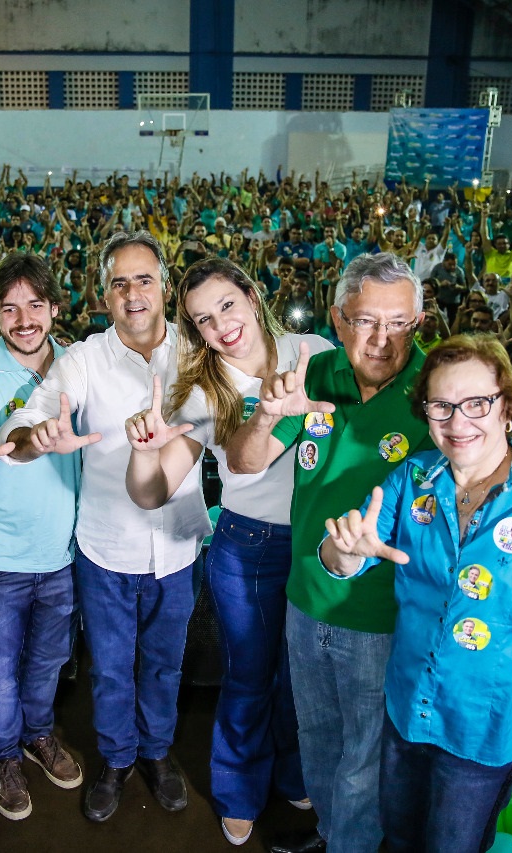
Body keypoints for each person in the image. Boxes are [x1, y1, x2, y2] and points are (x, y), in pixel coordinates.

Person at [319, 334, 512, 853]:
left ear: (507, 406)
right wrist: (346, 551)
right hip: (408, 708)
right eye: (441, 406)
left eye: (477, 403)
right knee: (400, 834)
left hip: (489, 728)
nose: (458, 422)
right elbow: (345, 557)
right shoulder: (412, 478)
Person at [223, 252, 435, 853]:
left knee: (365, 761)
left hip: (383, 617)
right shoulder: (316, 376)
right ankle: (332, 836)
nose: (383, 339)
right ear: (339, 320)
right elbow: (245, 461)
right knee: (318, 740)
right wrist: (265, 415)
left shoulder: (434, 391)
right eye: (368, 321)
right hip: (305, 599)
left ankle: (353, 845)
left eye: (399, 323)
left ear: (418, 323)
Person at [0, 231, 210, 823]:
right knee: (112, 668)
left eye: (145, 279)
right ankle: (117, 760)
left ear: (165, 287)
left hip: (178, 548)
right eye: (120, 282)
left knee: (166, 663)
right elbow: (28, 422)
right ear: (104, 295)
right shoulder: (84, 359)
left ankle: (158, 754)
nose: (133, 293)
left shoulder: (198, 355)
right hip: (107, 549)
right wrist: (34, 438)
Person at [123, 257, 331, 845]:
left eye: (227, 306)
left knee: (303, 674)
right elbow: (152, 492)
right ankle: (239, 789)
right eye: (203, 320)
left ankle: (294, 771)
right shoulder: (201, 393)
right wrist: (143, 453)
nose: (221, 325)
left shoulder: (311, 350)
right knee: (250, 675)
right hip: (252, 547)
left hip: (320, 544)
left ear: (251, 293)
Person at [0, 252, 84, 821]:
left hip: (63, 551)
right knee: (0, 672)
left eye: (34, 305)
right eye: (9, 308)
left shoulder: (78, 365)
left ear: (55, 308)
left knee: (50, 660)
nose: (24, 318)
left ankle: (38, 734)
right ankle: (5, 755)